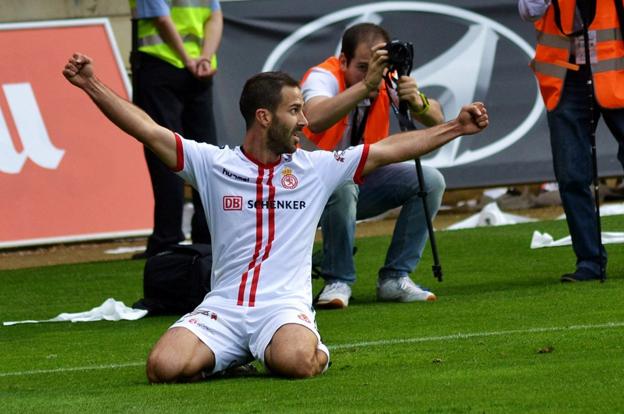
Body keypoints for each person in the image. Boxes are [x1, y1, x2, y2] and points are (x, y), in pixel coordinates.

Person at [62, 52, 488, 381]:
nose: (306, 121)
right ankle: (233, 358)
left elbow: (389, 150)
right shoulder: (214, 164)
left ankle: (300, 344)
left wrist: (456, 127)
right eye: (295, 111)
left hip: (283, 308)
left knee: (298, 362)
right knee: (163, 368)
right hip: (224, 308)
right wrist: (90, 83)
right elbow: (147, 129)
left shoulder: (316, 167)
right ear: (264, 118)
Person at [301, 23, 446, 308]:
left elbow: (437, 121)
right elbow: (315, 117)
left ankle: (395, 278)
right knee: (341, 184)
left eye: (375, 67)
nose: (370, 75)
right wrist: (366, 86)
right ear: (343, 61)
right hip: (305, 190)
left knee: (431, 181)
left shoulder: (386, 78)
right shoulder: (322, 76)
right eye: (362, 67)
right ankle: (338, 280)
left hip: (361, 182)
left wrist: (417, 102)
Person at [519, 0, 624, 282]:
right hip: (566, 78)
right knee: (571, 174)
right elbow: (529, 10)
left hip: (618, 74)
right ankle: (589, 262)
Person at [129, 0, 223, 259]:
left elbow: (161, 18)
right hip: (202, 70)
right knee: (206, 153)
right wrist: (204, 57)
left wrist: (187, 60)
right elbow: (215, 16)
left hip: (162, 64)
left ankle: (167, 239)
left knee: (163, 151)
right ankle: (207, 235)